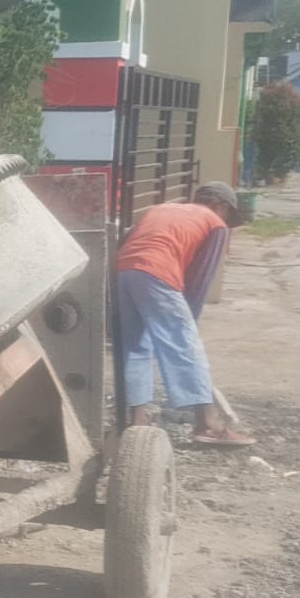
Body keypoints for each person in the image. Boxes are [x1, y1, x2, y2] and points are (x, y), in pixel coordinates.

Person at [116, 181, 254, 447]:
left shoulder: (159, 210)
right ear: (220, 205)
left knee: (134, 347)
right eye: (227, 213)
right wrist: (190, 319)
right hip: (158, 272)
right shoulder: (215, 223)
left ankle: (137, 419)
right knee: (184, 346)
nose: (226, 219)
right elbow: (201, 279)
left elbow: (127, 241)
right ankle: (207, 424)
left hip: (123, 269)